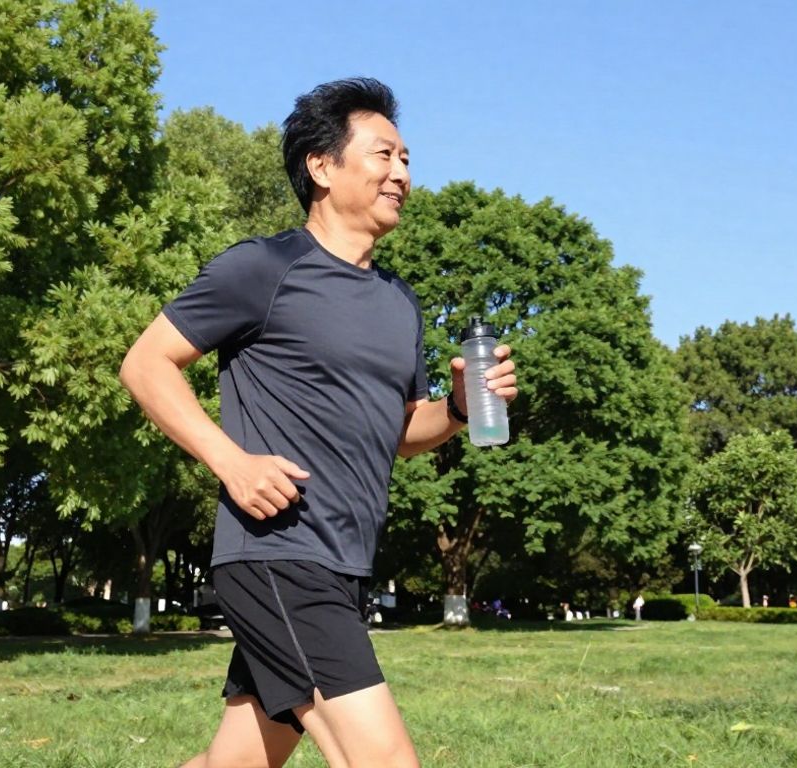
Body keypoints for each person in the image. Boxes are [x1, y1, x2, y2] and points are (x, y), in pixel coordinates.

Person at [120, 77, 517, 768]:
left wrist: (457, 409)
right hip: (279, 553)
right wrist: (230, 461)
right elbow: (147, 363)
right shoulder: (263, 268)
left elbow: (398, 434)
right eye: (384, 154)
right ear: (322, 167)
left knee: (234, 765)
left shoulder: (399, 303)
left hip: (346, 562)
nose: (402, 173)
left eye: (407, 159)